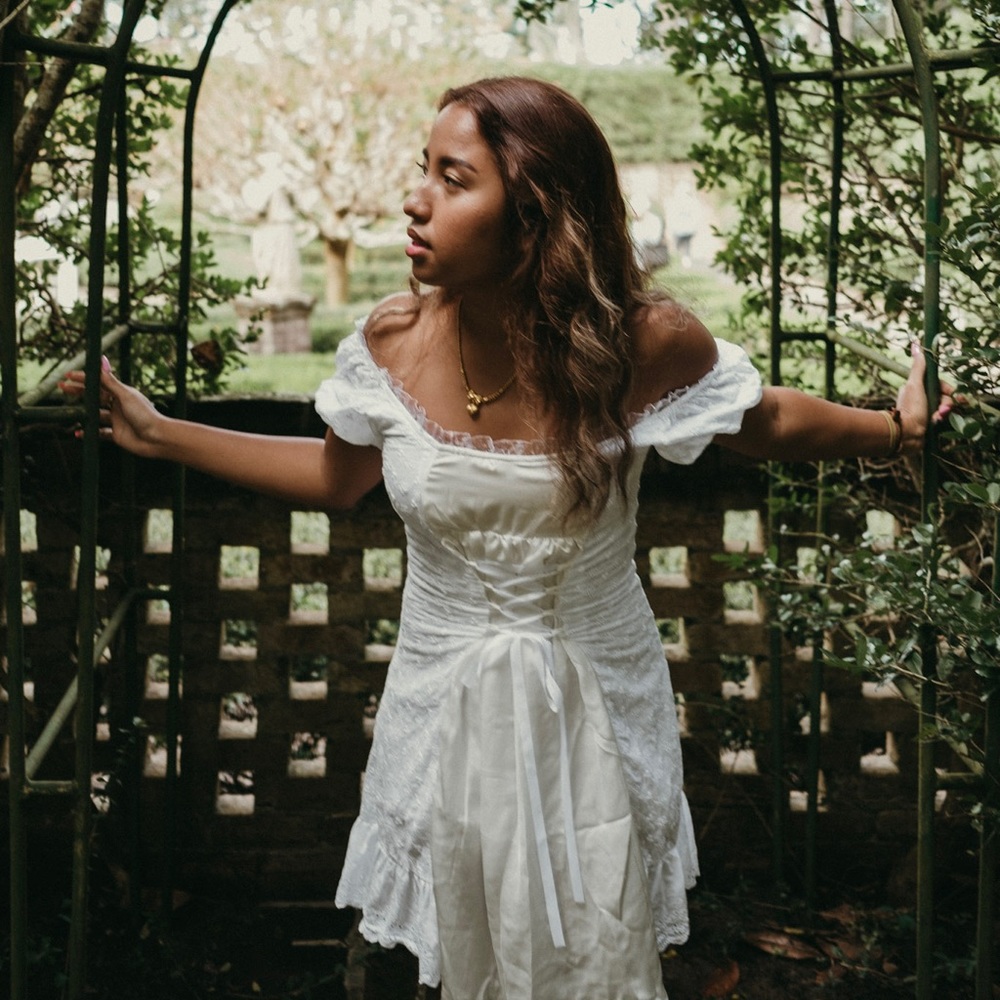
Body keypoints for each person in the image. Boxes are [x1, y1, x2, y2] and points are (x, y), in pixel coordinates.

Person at [62, 76, 951, 1000]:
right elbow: (336, 478)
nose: (414, 199)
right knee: (464, 947)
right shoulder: (392, 342)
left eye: (453, 179)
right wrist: (159, 432)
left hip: (595, 702)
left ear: (533, 213)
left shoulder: (641, 343)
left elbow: (763, 420)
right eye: (424, 172)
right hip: (442, 696)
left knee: (598, 939)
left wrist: (895, 430)